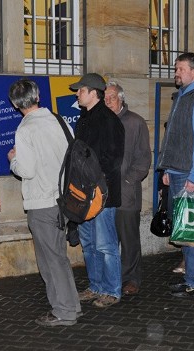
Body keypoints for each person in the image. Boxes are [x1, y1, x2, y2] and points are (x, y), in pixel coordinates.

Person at [7, 79, 82, 326]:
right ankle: (71, 305)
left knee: (51, 259)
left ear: (15, 104)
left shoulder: (25, 129)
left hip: (42, 203)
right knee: (58, 256)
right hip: (65, 201)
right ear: (38, 96)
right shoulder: (61, 122)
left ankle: (64, 311)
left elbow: (26, 170)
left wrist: (13, 160)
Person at [156, 52, 194, 298]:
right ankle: (191, 277)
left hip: (191, 175)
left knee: (193, 232)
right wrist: (169, 169)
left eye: (181, 69)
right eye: (176, 69)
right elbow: (177, 138)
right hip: (179, 172)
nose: (176, 73)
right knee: (184, 230)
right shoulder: (183, 96)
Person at [69, 73, 125, 308]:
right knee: (89, 243)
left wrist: (96, 186)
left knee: (105, 245)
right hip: (84, 193)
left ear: (93, 93)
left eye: (80, 90)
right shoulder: (84, 118)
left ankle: (112, 290)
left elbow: (112, 160)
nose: (77, 94)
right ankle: (96, 286)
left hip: (102, 194)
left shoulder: (108, 120)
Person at [103, 81, 151, 296]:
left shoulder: (135, 123)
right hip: (103, 194)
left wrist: (128, 181)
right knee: (107, 240)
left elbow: (143, 159)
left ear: (121, 98)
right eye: (104, 98)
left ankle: (132, 279)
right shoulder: (102, 121)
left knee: (129, 239)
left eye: (111, 97)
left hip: (126, 193)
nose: (107, 102)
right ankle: (111, 278)